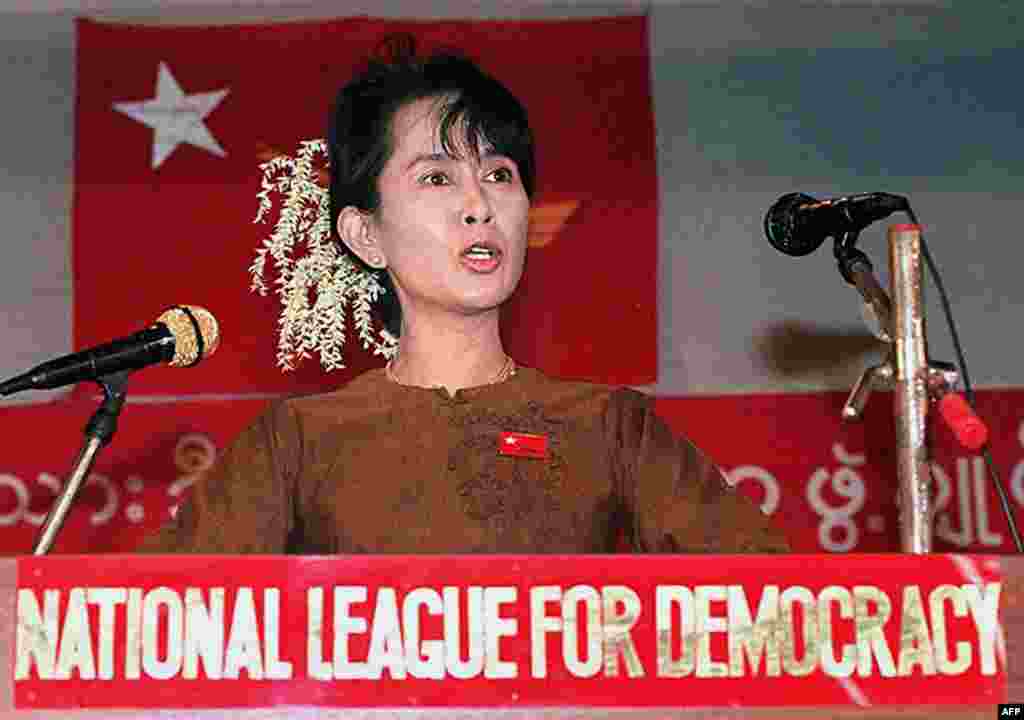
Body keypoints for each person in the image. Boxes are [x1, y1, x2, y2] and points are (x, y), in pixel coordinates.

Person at [139, 37, 788, 555]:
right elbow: (145, 618)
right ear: (366, 234)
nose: (479, 204)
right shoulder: (298, 441)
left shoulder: (612, 428)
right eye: (438, 177)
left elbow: (784, 604)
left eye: (499, 174)